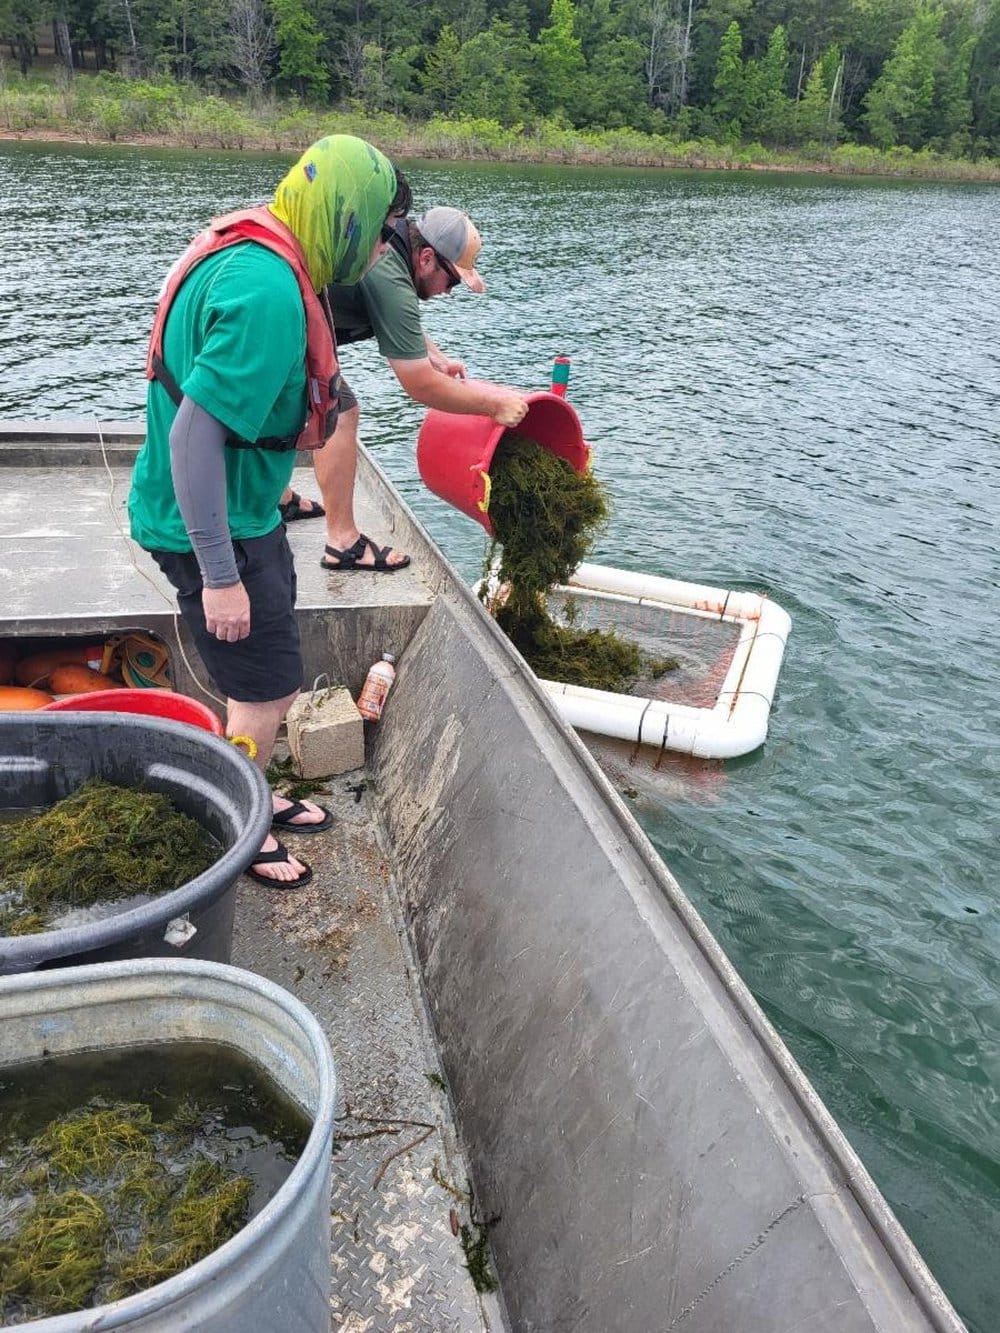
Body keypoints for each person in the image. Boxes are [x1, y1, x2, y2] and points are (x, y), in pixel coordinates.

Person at [128, 134, 411, 890]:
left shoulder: (262, 243)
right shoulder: (268, 293)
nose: (382, 244)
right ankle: (239, 826)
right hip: (211, 527)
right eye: (381, 225)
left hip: (238, 513)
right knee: (264, 690)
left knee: (263, 681)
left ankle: (248, 789)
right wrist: (220, 574)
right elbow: (193, 434)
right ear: (346, 213)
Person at [276, 206, 529, 572]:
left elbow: (393, 317)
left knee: (304, 405)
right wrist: (494, 405)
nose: (448, 293)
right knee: (340, 412)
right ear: (427, 258)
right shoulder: (391, 276)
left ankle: (278, 499)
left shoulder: (395, 246)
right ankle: (343, 543)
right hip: (281, 328)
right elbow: (419, 385)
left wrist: (436, 356)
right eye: (453, 282)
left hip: (293, 323)